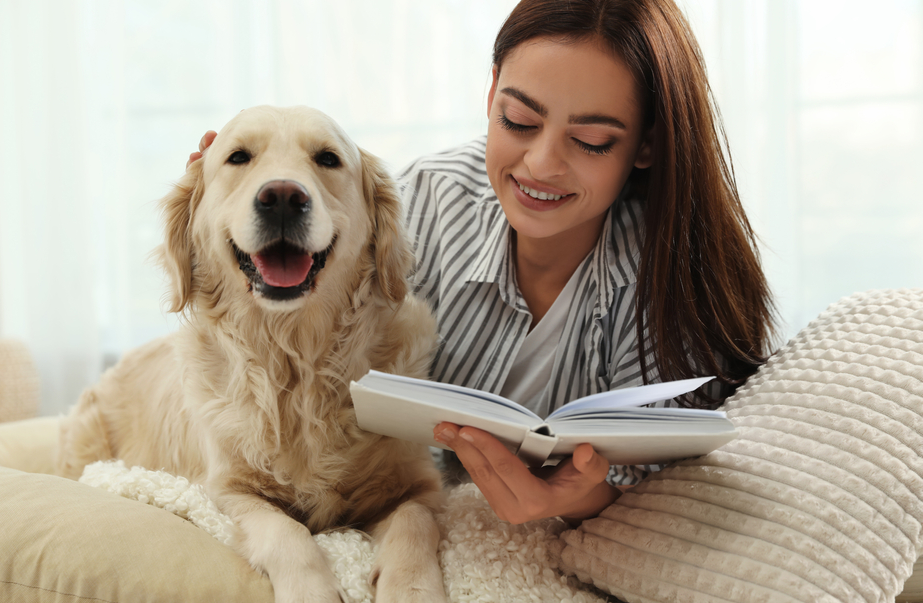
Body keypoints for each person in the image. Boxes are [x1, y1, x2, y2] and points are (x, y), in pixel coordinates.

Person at [186, 0, 776, 527]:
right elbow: (281, 345)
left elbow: (668, 501)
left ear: (646, 142)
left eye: (592, 139)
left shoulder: (669, 287)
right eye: (518, 121)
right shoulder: (431, 199)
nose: (541, 164)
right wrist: (227, 199)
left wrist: (576, 502)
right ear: (491, 94)